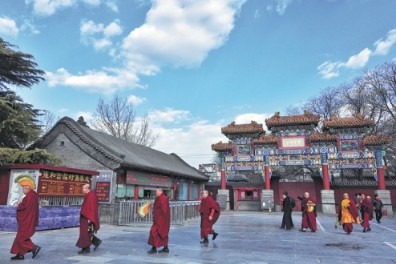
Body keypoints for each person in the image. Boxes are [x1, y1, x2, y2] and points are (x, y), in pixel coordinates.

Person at [10, 175, 41, 260]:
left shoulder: (29, 196)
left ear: (28, 187)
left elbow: (23, 207)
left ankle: (34, 247)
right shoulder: (33, 195)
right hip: (30, 220)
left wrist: (19, 204)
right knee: (20, 237)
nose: (22, 189)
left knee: (21, 238)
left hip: (27, 221)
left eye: (23, 187)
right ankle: (20, 254)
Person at [76, 184, 101, 254]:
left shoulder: (91, 196)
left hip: (88, 218)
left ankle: (86, 249)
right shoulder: (89, 195)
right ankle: (95, 242)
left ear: (87, 188)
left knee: (86, 233)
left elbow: (92, 209)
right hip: (86, 217)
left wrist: (90, 218)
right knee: (85, 233)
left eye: (83, 188)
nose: (82, 190)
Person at [147, 188, 170, 254]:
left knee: (153, 232)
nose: (155, 193)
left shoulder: (163, 198)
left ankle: (154, 248)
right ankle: (165, 248)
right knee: (161, 233)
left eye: (156, 191)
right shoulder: (158, 198)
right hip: (158, 219)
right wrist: (152, 207)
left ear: (161, 191)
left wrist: (155, 210)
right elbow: (157, 207)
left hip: (161, 220)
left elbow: (164, 211)